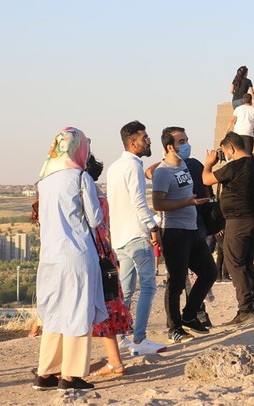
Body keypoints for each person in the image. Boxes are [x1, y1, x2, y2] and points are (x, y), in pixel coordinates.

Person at [33, 127, 107, 392]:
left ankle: (46, 373)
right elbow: (95, 219)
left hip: (50, 256)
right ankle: (71, 375)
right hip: (76, 254)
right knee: (78, 312)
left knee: (55, 313)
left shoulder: (44, 180)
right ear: (78, 148)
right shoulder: (80, 177)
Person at [106, 121, 167, 356]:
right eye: (145, 138)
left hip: (120, 237)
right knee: (149, 286)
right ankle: (139, 340)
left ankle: (121, 337)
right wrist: (153, 227)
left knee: (126, 290)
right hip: (136, 236)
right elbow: (139, 202)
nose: (149, 141)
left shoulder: (114, 167)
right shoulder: (133, 167)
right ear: (133, 143)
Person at [151, 127, 216, 343]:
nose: (187, 144)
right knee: (177, 282)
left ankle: (189, 315)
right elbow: (158, 203)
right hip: (175, 232)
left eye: (187, 139)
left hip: (193, 230)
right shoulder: (162, 172)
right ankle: (174, 328)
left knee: (209, 272)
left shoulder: (184, 167)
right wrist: (185, 203)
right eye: (182, 141)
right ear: (170, 146)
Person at [203, 132, 254, 326]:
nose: (226, 156)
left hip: (238, 223)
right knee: (246, 264)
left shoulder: (234, 166)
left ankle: (246, 310)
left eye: (225, 152)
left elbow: (206, 180)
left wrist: (209, 163)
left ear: (231, 148)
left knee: (235, 265)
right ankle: (253, 307)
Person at [84, 155, 132, 379]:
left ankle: (111, 362)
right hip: (106, 258)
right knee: (107, 309)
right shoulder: (99, 195)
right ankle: (114, 361)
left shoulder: (86, 196)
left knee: (94, 311)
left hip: (93, 259)